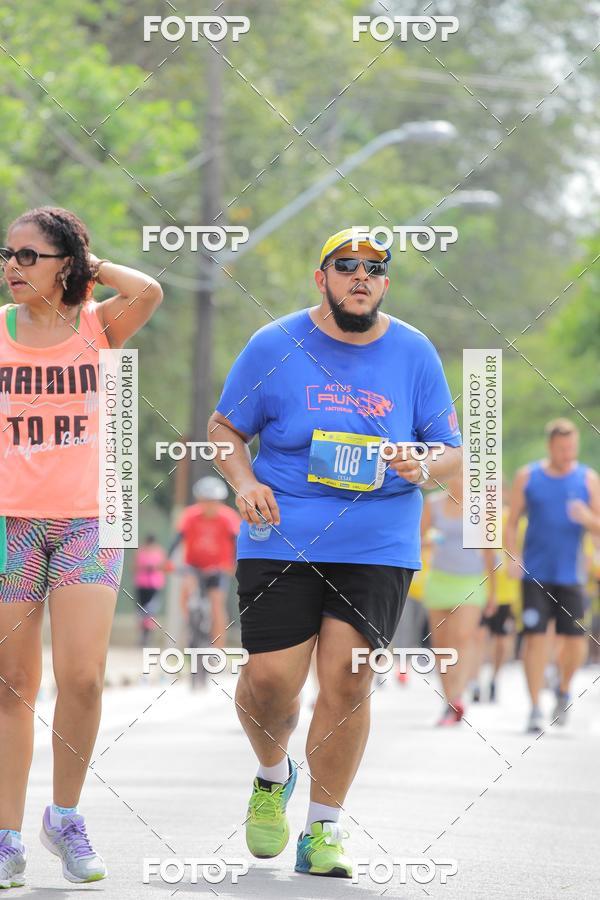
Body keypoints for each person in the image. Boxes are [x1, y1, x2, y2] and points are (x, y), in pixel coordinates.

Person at [208, 227, 462, 878]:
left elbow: (454, 451)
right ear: (321, 277)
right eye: (345, 265)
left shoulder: (414, 352)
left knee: (348, 678)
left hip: (377, 541)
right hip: (281, 533)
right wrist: (246, 481)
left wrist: (423, 462)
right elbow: (225, 427)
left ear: (385, 282)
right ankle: (272, 776)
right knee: (270, 684)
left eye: (375, 268)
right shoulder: (276, 343)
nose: (361, 276)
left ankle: (323, 830)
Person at [0, 206, 162, 885]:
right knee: (13, 683)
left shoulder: (99, 327)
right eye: (7, 255)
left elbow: (149, 291)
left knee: (84, 678)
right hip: (9, 526)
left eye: (28, 255)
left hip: (87, 523)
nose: (12, 266)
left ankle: (63, 817)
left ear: (64, 263)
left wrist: (86, 268)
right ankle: (6, 836)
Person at [506, 418, 600, 733]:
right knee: (534, 639)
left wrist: (589, 518)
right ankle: (534, 707)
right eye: (562, 448)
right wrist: (512, 556)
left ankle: (562, 689)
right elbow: (511, 521)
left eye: (572, 448)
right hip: (535, 573)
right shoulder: (528, 476)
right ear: (550, 447)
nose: (567, 453)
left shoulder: (587, 479)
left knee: (575, 642)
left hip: (572, 574)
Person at [421, 471, 497, 725]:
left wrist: (493, 591)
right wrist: (433, 539)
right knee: (442, 645)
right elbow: (420, 538)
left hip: (471, 581)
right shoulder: (433, 504)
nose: (460, 481)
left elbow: (489, 552)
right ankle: (449, 701)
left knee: (462, 637)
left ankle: (458, 696)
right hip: (440, 580)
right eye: (457, 476)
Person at [169, 476, 240, 648]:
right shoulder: (190, 515)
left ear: (220, 501)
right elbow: (178, 539)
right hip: (193, 564)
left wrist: (234, 564)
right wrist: (168, 560)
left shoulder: (228, 517)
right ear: (199, 500)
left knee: (217, 604)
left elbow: (236, 542)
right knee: (186, 592)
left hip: (218, 567)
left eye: (214, 501)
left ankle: (218, 650)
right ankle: (192, 626)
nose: (210, 505)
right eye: (206, 501)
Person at [133, 536, 167, 647]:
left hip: (154, 585)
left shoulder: (159, 553)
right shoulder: (141, 552)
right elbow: (135, 566)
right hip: (142, 584)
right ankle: (142, 635)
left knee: (151, 610)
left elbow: (162, 567)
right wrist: (144, 567)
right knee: (141, 611)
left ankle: (148, 636)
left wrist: (153, 567)